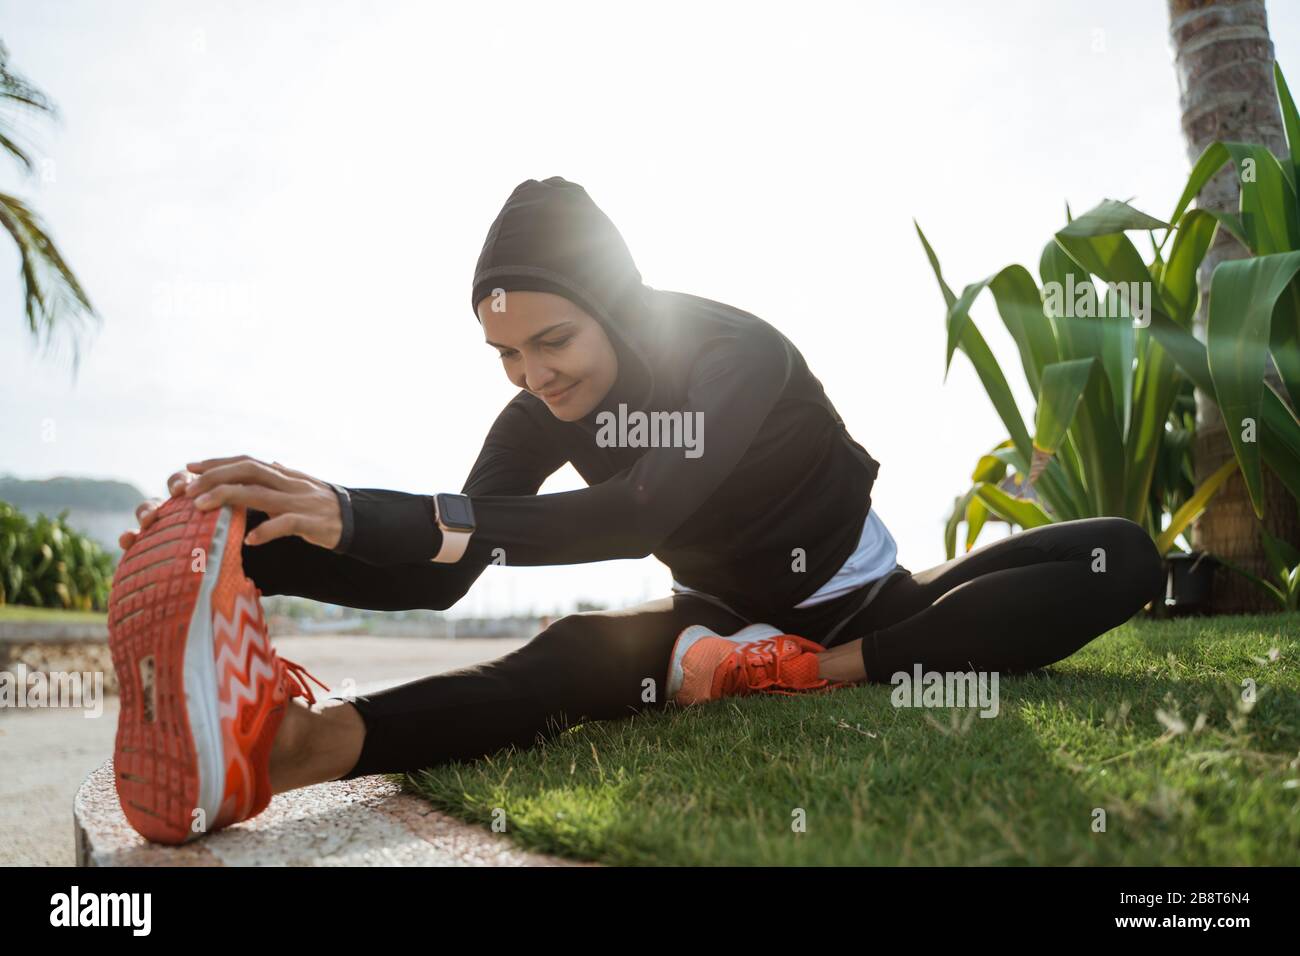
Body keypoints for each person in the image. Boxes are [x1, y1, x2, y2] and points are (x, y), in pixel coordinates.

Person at [119, 176, 1165, 831]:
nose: (531, 375)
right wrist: (253, 550)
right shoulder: (539, 408)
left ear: (610, 302)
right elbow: (450, 566)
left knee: (1120, 554)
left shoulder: (731, 353)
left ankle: (819, 671)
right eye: (505, 354)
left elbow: (642, 509)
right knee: (576, 651)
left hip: (869, 603)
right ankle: (292, 747)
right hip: (713, 627)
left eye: (552, 342)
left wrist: (362, 503)